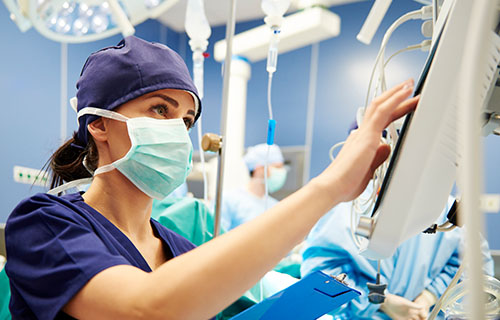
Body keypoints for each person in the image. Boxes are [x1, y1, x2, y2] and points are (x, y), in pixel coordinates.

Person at [4, 35, 419, 319]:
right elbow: (145, 310)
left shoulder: (179, 249)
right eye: (160, 110)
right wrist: (329, 188)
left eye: (186, 120)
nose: (177, 130)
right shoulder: (44, 224)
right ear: (99, 123)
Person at [301, 186, 495, 320]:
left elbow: (469, 265)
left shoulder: (445, 211)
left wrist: (429, 297)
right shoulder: (351, 205)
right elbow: (321, 277)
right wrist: (380, 301)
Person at [220, 143, 286, 231]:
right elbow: (216, 239)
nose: (281, 172)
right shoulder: (228, 200)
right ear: (259, 169)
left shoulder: (276, 206)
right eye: (277, 167)